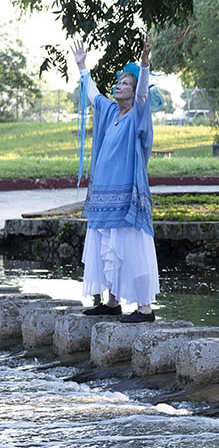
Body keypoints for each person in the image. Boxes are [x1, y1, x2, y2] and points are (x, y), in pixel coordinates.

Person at [72, 33, 160, 323]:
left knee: (130, 246)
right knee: (107, 244)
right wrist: (83, 67)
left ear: (133, 93)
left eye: (125, 83)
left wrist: (145, 62)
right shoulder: (110, 111)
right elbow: (93, 94)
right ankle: (110, 302)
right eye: (119, 82)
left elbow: (145, 93)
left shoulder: (137, 113)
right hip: (104, 197)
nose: (118, 86)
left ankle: (145, 308)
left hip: (127, 194)